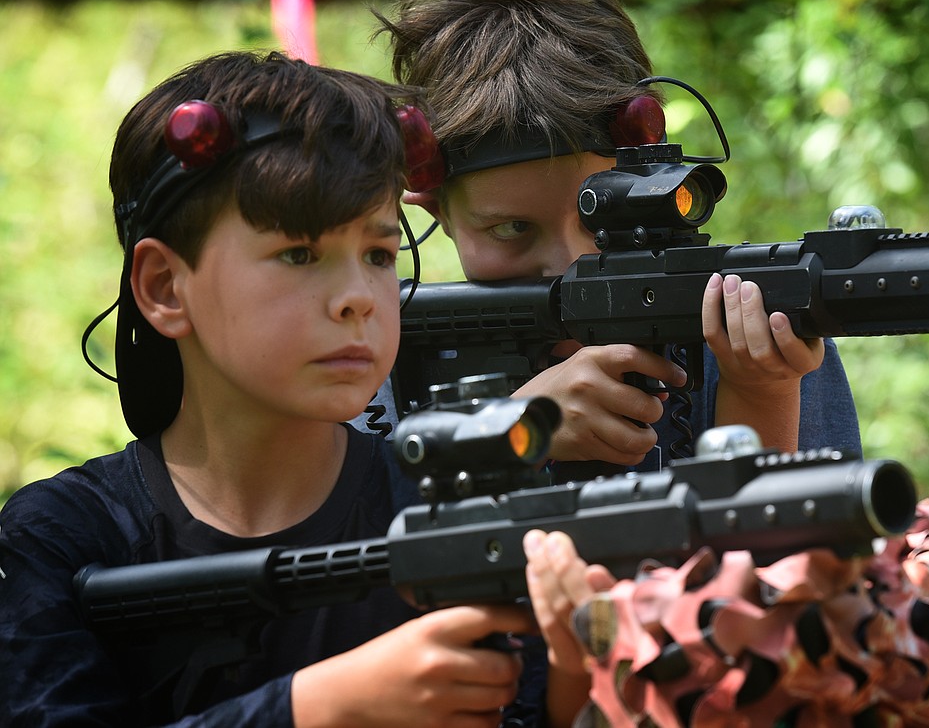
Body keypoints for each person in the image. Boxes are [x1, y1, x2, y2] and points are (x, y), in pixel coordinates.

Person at [0, 50, 592, 728]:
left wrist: (577, 668)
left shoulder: (451, 499)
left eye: (377, 254)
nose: (357, 299)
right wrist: (324, 706)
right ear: (165, 287)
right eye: (300, 254)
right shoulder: (59, 538)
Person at [359, 0, 862, 474]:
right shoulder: (373, 355)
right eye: (511, 229)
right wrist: (514, 430)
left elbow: (801, 554)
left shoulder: (759, 328)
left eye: (601, 220)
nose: (569, 261)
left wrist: (762, 391)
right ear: (435, 210)